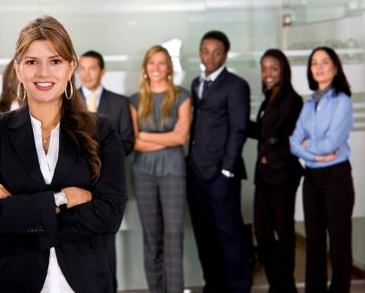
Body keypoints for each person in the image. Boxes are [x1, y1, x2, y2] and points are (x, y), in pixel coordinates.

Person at [0, 16, 127, 292]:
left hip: (86, 281)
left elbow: (109, 215)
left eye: (55, 61)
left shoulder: (101, 130)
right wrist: (64, 198)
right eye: (31, 62)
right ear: (18, 69)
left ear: (70, 67)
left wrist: (17, 206)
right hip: (17, 281)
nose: (43, 73)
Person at [186, 30, 251, 293]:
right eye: (205, 50)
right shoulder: (196, 83)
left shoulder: (236, 85)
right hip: (196, 173)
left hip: (221, 176)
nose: (210, 57)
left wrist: (226, 170)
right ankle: (214, 285)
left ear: (225, 55)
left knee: (229, 235)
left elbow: (238, 130)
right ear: (200, 52)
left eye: (217, 52)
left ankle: (238, 288)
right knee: (205, 235)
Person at [290, 46, 355, 293]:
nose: (318, 67)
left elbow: (332, 143)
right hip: (312, 179)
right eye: (314, 63)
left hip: (336, 178)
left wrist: (309, 147)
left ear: (335, 67)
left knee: (339, 245)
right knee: (314, 244)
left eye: (324, 62)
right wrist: (316, 152)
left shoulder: (342, 102)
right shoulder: (308, 105)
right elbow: (294, 144)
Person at [129, 45, 190, 293]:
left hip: (174, 171)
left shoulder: (182, 96)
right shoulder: (134, 100)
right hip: (142, 172)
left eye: (162, 62)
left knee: (174, 235)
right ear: (145, 68)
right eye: (151, 63)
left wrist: (145, 136)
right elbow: (133, 142)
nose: (156, 68)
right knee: (151, 236)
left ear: (169, 67)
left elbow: (181, 137)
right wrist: (166, 137)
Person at [78, 50, 134, 292]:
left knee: (107, 245)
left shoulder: (120, 102)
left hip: (109, 185)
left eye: (92, 68)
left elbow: (128, 140)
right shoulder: (67, 103)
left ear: (102, 71)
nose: (87, 73)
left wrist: (102, 154)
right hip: (76, 185)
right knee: (80, 246)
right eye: (83, 68)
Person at [248, 49, 303, 293]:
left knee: (284, 231)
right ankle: (278, 284)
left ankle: (285, 286)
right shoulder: (268, 97)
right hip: (264, 175)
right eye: (264, 69)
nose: (267, 74)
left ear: (283, 70)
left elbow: (285, 137)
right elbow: (262, 131)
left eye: (273, 68)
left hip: (282, 174)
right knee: (262, 230)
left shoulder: (292, 99)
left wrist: (269, 156)